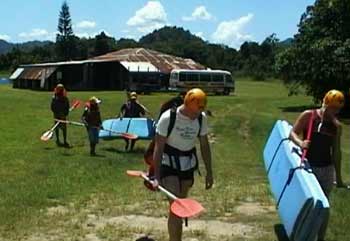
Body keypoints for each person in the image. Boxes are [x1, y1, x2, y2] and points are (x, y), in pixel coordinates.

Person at [152, 88, 213, 241]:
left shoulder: (201, 118)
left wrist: (209, 172)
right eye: (193, 113)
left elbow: (205, 146)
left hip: (187, 165)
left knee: (180, 204)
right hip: (168, 163)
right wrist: (156, 176)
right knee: (176, 206)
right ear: (186, 105)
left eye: (199, 112)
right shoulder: (168, 118)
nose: (195, 116)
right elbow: (158, 148)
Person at [289, 89, 347, 241]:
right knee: (307, 205)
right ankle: (298, 234)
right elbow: (292, 133)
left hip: (326, 169)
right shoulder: (309, 116)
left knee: (324, 206)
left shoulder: (336, 126)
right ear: (325, 104)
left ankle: (320, 238)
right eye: (333, 108)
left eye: (338, 109)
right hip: (308, 167)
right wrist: (301, 142)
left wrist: (338, 178)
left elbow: (336, 152)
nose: (335, 112)